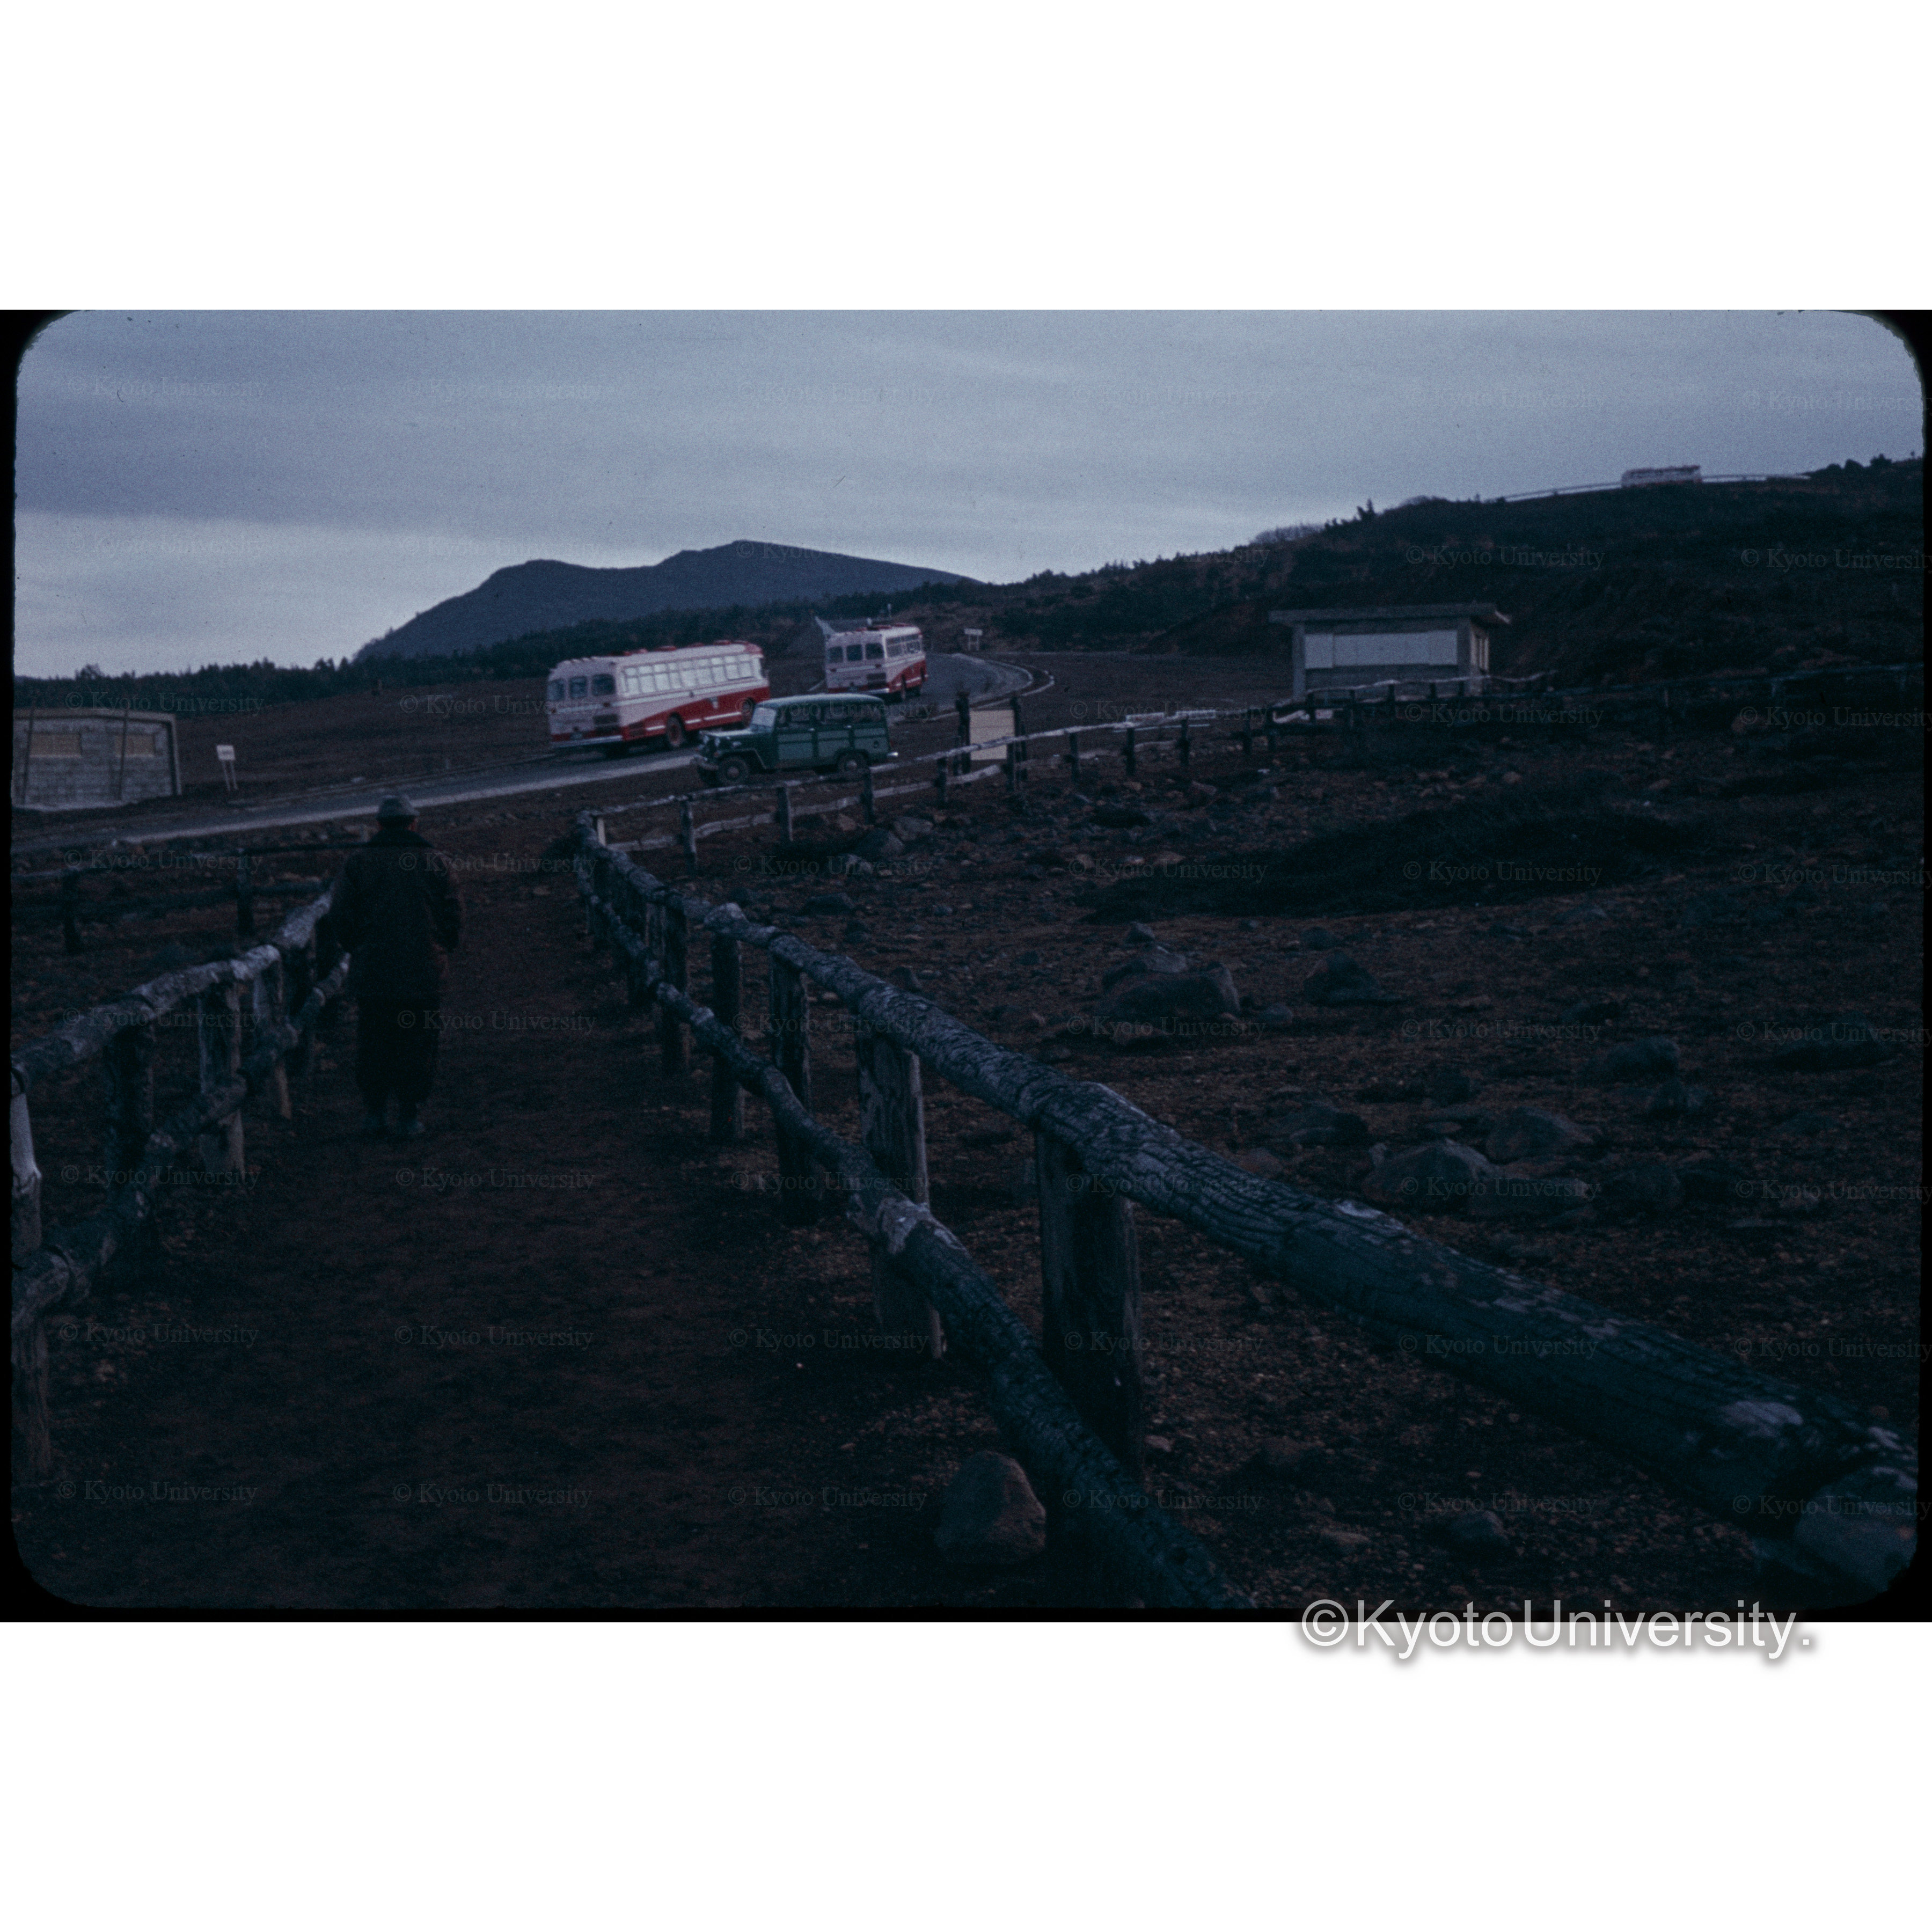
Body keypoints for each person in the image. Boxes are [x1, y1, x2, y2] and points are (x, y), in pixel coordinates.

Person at [330, 795, 463, 1139]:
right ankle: (409, 1114)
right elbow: (453, 917)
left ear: (379, 826)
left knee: (374, 1041)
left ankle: (375, 1113)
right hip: (423, 973)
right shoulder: (436, 862)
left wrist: (357, 948)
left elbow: (341, 916)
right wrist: (442, 949)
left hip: (374, 973)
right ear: (414, 823)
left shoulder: (358, 863)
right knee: (419, 1043)